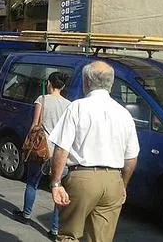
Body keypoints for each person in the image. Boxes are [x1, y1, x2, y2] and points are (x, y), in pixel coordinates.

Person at [48, 61, 140, 242]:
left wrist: (56, 183)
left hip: (83, 178)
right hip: (113, 178)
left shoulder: (77, 107)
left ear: (86, 81)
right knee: (100, 238)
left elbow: (61, 149)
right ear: (111, 83)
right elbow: (131, 158)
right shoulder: (124, 114)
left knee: (69, 235)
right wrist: (123, 184)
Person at [12, 72, 71, 238]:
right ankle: (55, 229)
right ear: (63, 86)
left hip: (41, 150)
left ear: (49, 84)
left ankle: (26, 214)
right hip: (61, 152)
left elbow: (35, 125)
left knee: (32, 182)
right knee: (58, 188)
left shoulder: (42, 99)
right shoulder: (69, 104)